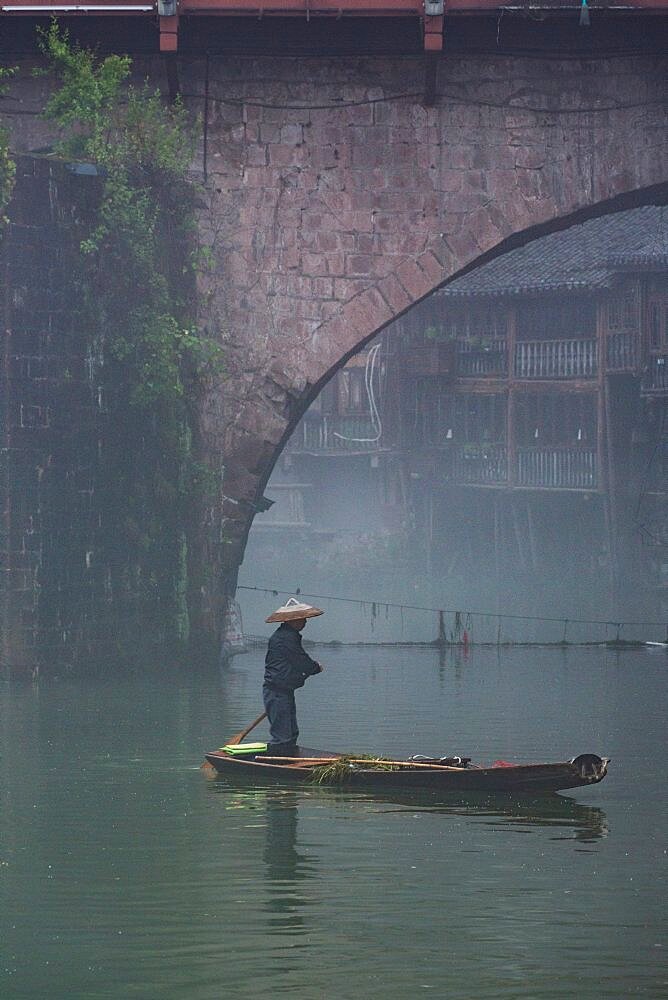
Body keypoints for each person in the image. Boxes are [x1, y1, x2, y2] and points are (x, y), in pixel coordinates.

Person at [263, 597, 325, 756]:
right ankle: (277, 762)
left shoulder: (288, 636)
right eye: (302, 619)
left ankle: (287, 758)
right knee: (282, 737)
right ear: (293, 620)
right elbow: (301, 661)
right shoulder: (285, 638)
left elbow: (297, 661)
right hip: (276, 692)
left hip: (283, 690)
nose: (305, 622)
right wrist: (315, 667)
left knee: (290, 733)